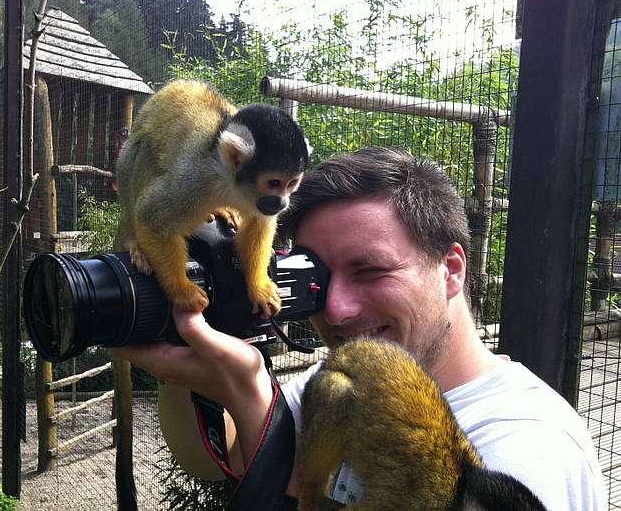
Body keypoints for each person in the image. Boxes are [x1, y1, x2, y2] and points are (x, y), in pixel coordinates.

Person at [114, 146, 607, 509]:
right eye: (318, 276)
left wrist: (250, 396)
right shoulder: (364, 374)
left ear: (452, 269)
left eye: (371, 271)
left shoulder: (518, 456)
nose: (336, 309)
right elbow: (219, 458)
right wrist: (182, 359)